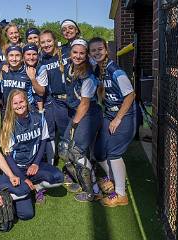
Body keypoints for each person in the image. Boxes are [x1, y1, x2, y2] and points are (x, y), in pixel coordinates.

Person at [89, 37, 136, 207]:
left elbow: (130, 95)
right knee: (99, 151)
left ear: (106, 50)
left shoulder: (115, 70)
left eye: (100, 49)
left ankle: (121, 194)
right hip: (109, 115)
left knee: (114, 153)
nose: (97, 52)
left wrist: (118, 118)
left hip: (123, 116)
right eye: (93, 50)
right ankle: (116, 180)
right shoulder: (99, 69)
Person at [0, 89, 64, 204]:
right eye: (15, 103)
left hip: (32, 166)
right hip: (16, 168)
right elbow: (8, 156)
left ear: (27, 101)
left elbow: (44, 141)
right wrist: (23, 178)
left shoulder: (39, 118)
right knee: (26, 213)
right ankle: (25, 188)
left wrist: (35, 163)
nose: (19, 105)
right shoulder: (8, 124)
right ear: (11, 105)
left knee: (58, 177)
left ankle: (37, 187)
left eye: (21, 101)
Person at [62, 39, 102, 201]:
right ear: (70, 53)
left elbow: (85, 103)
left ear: (86, 55)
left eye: (81, 53)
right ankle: (81, 181)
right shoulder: (68, 67)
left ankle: (93, 190)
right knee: (64, 149)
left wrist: (74, 124)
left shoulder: (88, 74)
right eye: (75, 52)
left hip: (88, 114)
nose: (78, 56)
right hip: (77, 112)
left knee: (77, 152)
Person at [39, 30, 70, 165]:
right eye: (43, 42)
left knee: (73, 133)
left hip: (71, 98)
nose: (46, 44)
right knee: (62, 132)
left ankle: (79, 163)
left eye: (49, 41)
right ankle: (66, 163)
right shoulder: (42, 59)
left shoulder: (66, 52)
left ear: (55, 40)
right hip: (56, 100)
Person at [1, 45, 35, 110]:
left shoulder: (28, 71)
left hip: (24, 110)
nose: (14, 59)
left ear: (22, 57)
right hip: (7, 110)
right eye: (11, 55)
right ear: (7, 57)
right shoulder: (4, 71)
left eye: (17, 55)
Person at [22, 43, 47, 112]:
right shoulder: (20, 67)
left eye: (34, 54)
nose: (31, 57)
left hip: (37, 105)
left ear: (38, 56)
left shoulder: (41, 68)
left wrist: (33, 78)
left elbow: (41, 92)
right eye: (28, 54)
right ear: (23, 56)